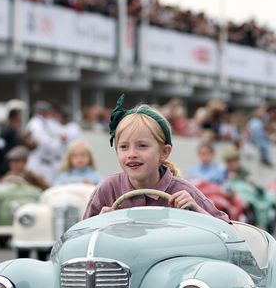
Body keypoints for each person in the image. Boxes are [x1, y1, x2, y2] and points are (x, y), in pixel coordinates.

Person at [83, 95, 229, 221]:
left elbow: (228, 231)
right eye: (124, 147)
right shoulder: (107, 190)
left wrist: (196, 210)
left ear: (164, 152)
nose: (131, 154)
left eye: (142, 146)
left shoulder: (183, 192)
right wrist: (100, 224)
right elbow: (82, 238)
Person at [25, 101, 67, 185]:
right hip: (38, 163)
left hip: (46, 164)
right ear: (43, 112)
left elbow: (58, 132)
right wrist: (59, 142)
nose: (50, 113)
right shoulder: (35, 124)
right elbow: (44, 142)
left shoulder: (44, 122)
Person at [0, 102, 30, 179]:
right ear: (15, 118)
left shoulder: (15, 132)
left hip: (14, 168)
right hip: (6, 169)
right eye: (19, 116)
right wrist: (5, 165)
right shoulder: (6, 132)